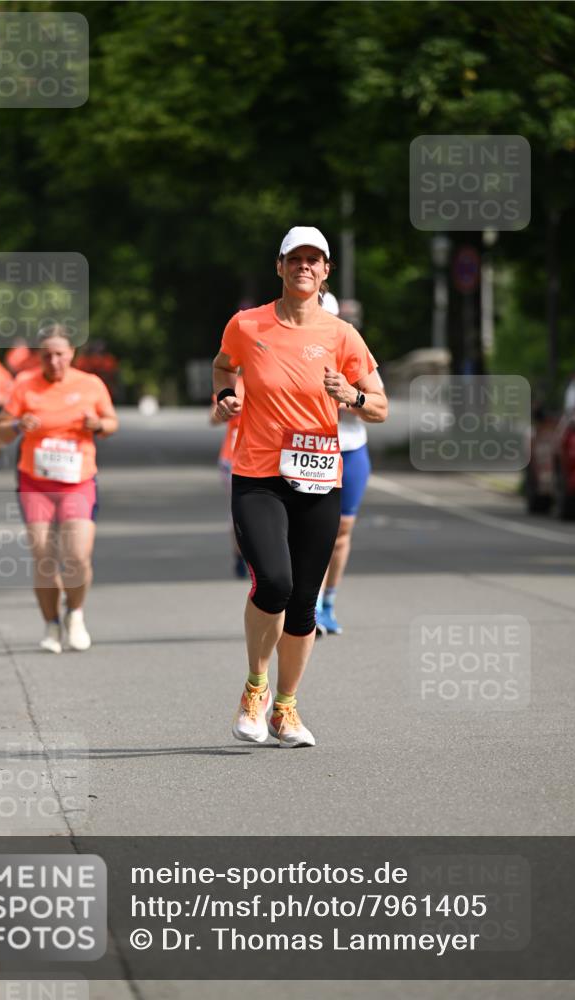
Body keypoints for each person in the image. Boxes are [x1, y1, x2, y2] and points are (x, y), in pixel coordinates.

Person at [212, 226, 388, 748]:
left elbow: (379, 406)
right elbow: (225, 364)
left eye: (315, 260)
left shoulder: (342, 335)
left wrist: (351, 395)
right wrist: (226, 394)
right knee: (274, 581)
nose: (304, 267)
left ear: (326, 270)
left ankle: (286, 708)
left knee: (305, 601)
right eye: (296, 259)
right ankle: (255, 686)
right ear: (280, 266)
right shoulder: (248, 325)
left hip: (318, 476)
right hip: (259, 475)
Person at [0, 325, 119, 653]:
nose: (54, 360)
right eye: (46, 355)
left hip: (78, 482)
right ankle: (50, 624)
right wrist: (18, 425)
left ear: (72, 353)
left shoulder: (90, 384)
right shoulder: (24, 385)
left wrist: (97, 425)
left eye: (60, 354)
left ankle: (74, 613)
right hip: (35, 482)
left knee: (77, 556)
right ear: (38, 357)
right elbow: (0, 432)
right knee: (44, 558)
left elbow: (111, 423)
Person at [315, 293, 373, 636]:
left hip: (350, 448)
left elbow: (375, 402)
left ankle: (328, 604)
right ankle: (308, 605)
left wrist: (349, 398)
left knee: (341, 532)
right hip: (311, 449)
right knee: (312, 530)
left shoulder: (351, 347)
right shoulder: (292, 348)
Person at [209, 375, 247, 578]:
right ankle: (240, 556)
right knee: (240, 512)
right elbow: (213, 418)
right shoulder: (235, 383)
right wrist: (228, 410)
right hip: (232, 459)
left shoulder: (276, 376)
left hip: (269, 458)